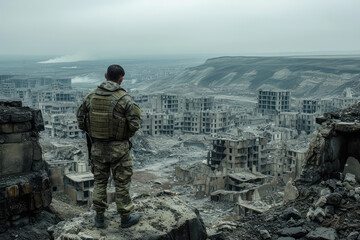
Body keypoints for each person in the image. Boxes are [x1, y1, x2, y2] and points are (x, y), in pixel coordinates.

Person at [76, 64, 141, 228]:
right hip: (120, 151)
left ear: (106, 76)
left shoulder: (91, 96)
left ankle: (99, 218)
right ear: (121, 79)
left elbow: (80, 119)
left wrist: (93, 133)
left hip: (97, 149)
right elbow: (134, 124)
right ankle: (125, 218)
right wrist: (123, 137)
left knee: (99, 183)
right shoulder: (124, 98)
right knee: (122, 184)